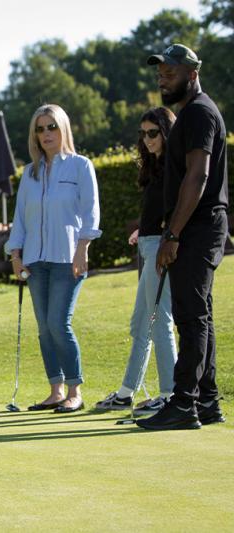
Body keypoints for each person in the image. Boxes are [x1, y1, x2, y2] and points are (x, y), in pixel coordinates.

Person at [137, 44, 228, 430]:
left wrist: (172, 234)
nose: (162, 79)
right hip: (197, 228)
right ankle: (206, 400)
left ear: (192, 74)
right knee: (198, 315)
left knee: (190, 317)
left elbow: (198, 176)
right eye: (160, 74)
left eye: (170, 73)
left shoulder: (199, 113)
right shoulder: (193, 112)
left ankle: (184, 404)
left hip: (198, 227)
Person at [5, 104, 102, 413]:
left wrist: (83, 248)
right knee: (45, 328)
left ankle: (75, 390)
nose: (46, 133)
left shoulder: (80, 166)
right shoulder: (29, 174)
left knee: (59, 324)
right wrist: (15, 255)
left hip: (67, 258)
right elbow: (20, 218)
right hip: (34, 261)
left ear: (63, 129)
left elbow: (91, 211)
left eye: (51, 127)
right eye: (40, 128)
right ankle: (56, 390)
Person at [95, 108, 178, 415]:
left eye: (153, 133)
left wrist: (161, 239)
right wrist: (142, 233)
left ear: (167, 132)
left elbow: (176, 210)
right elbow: (156, 210)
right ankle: (127, 392)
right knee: (140, 323)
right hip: (148, 245)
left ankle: (170, 394)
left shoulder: (174, 165)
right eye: (144, 133)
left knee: (158, 321)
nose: (148, 139)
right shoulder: (155, 166)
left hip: (161, 249)